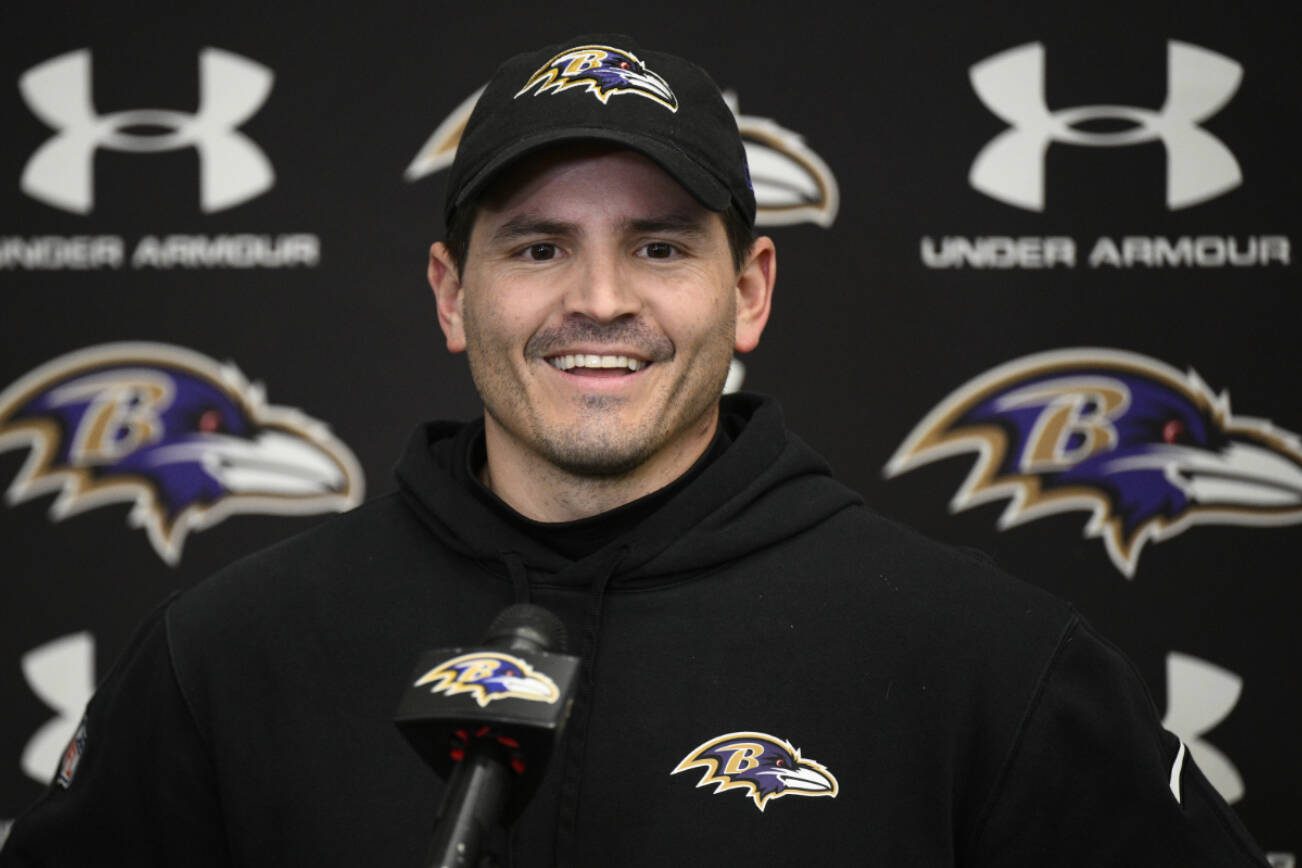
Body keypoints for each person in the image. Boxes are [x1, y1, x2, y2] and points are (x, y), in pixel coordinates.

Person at [1, 33, 1271, 868]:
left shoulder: (985, 664)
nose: (598, 299)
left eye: (660, 246)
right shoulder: (228, 657)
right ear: (451, 293)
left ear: (752, 290)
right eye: (537, 245)